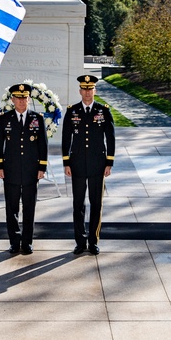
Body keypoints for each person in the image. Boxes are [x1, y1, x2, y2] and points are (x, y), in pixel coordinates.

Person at [61, 75, 115, 255]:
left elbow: (111, 138)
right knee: (78, 204)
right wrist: (66, 163)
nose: (87, 92)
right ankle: (80, 241)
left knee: (96, 204)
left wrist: (109, 162)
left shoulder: (103, 111)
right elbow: (66, 138)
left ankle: (93, 241)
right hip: (76, 164)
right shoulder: (72, 111)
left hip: (97, 164)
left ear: (95, 91)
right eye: (84, 89)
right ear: (80, 91)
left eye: (90, 89)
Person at [0, 83, 48, 255]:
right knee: (12, 208)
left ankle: (27, 242)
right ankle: (14, 242)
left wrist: (42, 167)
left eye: (25, 97)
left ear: (29, 99)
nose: (22, 101)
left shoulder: (37, 118)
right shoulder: (4, 119)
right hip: (10, 170)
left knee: (29, 207)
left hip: (32, 170)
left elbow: (43, 145)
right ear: (12, 99)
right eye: (18, 97)